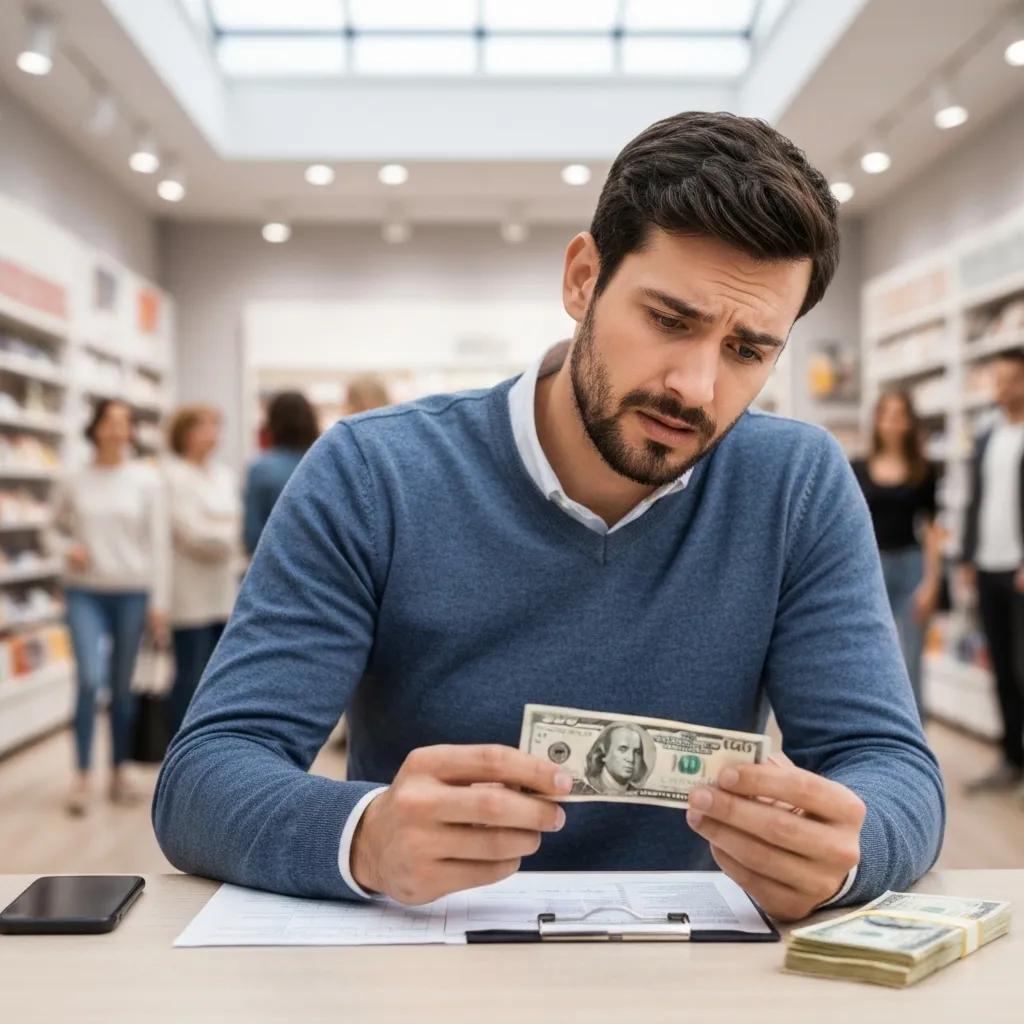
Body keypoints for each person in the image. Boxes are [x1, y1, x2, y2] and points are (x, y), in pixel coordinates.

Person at [155, 112, 944, 923]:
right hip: (423, 951)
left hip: (690, 962)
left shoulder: (795, 484)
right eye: (670, 320)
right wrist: (364, 837)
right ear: (582, 279)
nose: (697, 387)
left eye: (748, 350)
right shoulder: (373, 472)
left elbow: (889, 766)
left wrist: (850, 853)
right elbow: (207, 772)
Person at [51, 399, 168, 814]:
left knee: (121, 688)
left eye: (125, 422)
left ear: (132, 430)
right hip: (84, 591)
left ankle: (119, 770)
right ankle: (82, 775)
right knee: (88, 680)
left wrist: (160, 602)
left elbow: (157, 543)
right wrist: (66, 549)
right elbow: (51, 528)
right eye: (110, 421)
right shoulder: (74, 478)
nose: (118, 429)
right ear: (96, 427)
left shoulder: (146, 480)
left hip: (132, 592)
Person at [852, 392, 941, 720]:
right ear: (877, 420)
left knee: (912, 656)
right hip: (870, 566)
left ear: (909, 422)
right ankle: (872, 726)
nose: (892, 422)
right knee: (868, 653)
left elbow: (931, 530)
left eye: (899, 415)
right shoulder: (858, 468)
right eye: (886, 414)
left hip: (911, 565)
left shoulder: (923, 471)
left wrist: (932, 582)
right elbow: (850, 525)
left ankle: (915, 733)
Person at [960, 348, 1024, 794]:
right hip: (987, 566)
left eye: (1012, 379)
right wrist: (967, 557)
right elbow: (975, 500)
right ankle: (1011, 758)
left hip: (1020, 569)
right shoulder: (988, 435)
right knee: (1001, 668)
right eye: (998, 379)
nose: (1002, 387)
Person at [164, 405, 241, 736]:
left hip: (223, 590)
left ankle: (210, 743)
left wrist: (219, 530)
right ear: (183, 433)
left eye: (216, 426)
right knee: (189, 675)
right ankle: (181, 748)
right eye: (203, 426)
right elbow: (190, 532)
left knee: (219, 677)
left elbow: (237, 525)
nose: (212, 434)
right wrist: (225, 534)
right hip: (189, 592)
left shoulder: (224, 475)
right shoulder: (172, 476)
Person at [242, 392, 318, 555]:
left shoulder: (262, 469)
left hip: (276, 561)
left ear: (272, 422)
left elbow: (252, 535)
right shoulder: (324, 463)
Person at [582, 724, 650, 796]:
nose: (631, 759)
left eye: (637, 752)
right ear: (604, 753)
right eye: (623, 749)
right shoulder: (585, 786)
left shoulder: (638, 794)